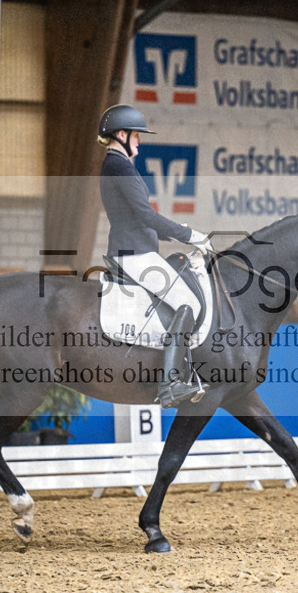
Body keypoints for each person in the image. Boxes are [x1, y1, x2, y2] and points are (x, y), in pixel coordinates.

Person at [98, 104, 213, 407]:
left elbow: (135, 219)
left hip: (136, 247)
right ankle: (171, 384)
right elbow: (145, 214)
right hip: (133, 253)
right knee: (187, 302)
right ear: (120, 134)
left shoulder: (118, 165)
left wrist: (177, 233)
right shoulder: (119, 166)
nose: (139, 141)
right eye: (135, 136)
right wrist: (189, 235)